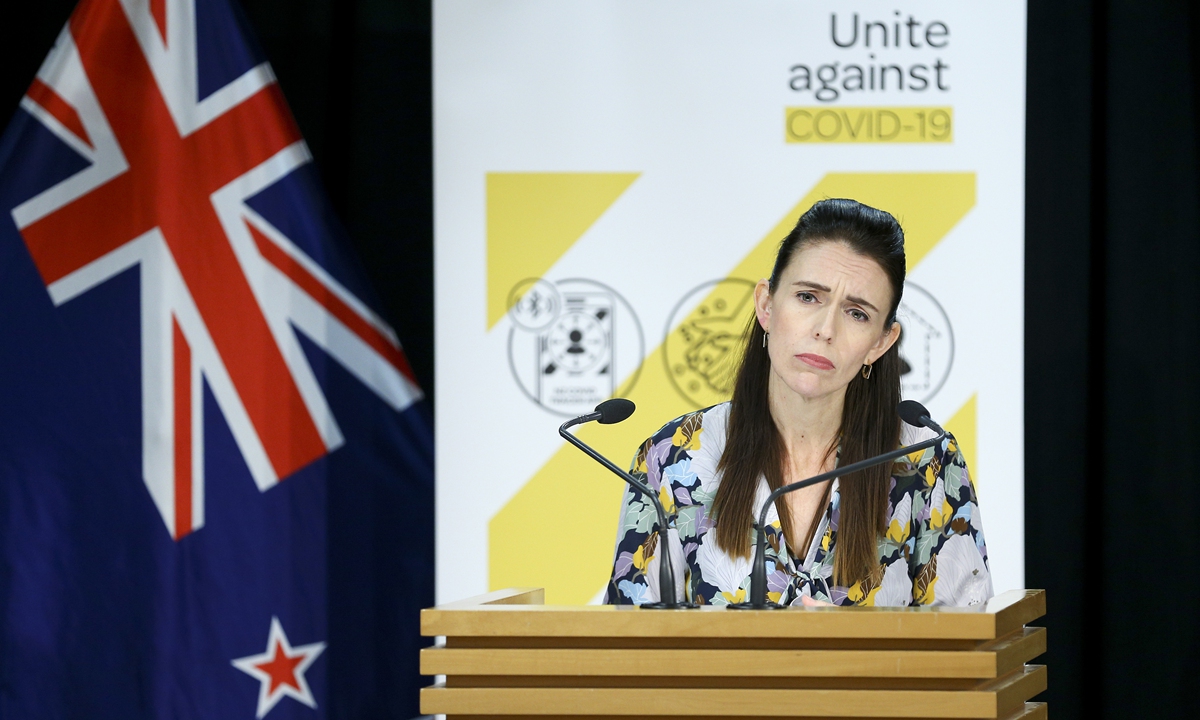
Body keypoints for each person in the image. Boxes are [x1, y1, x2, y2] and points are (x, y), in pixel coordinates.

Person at [605, 198, 992, 607]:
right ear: (767, 306)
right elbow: (628, 648)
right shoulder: (672, 457)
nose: (825, 329)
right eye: (808, 297)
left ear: (881, 342)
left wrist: (855, 650)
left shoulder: (926, 460)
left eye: (857, 313)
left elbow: (968, 646)